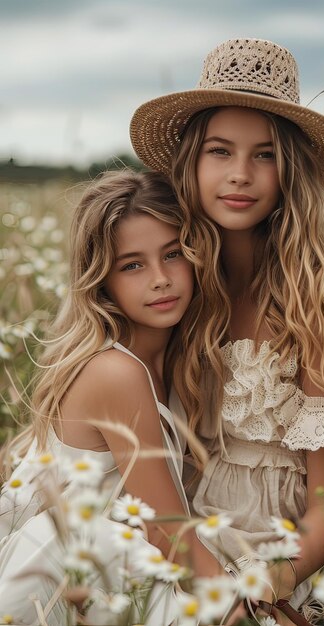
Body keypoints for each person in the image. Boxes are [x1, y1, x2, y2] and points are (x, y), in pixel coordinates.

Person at [129, 38, 324, 625]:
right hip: (168, 520)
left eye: (265, 155)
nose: (240, 175)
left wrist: (273, 581)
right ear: (191, 162)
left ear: (289, 169)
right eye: (220, 151)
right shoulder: (173, 286)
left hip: (264, 547)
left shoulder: (321, 311)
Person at [0, 169, 221, 625]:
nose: (160, 279)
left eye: (173, 254)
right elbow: (167, 533)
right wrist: (244, 601)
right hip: (60, 573)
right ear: (101, 279)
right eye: (132, 264)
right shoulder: (116, 372)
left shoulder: (179, 364)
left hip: (112, 566)